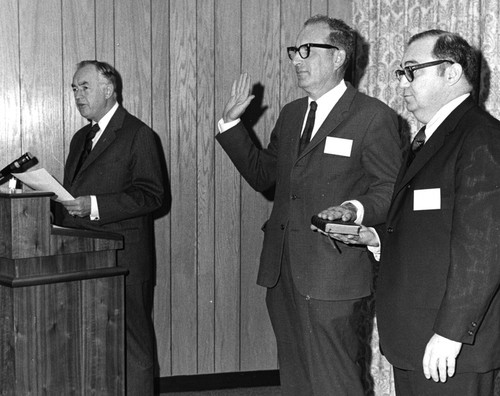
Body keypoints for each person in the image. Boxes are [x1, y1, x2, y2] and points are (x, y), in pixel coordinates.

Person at [216, 15, 402, 395]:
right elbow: (264, 176)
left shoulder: (372, 116)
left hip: (334, 274)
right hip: (282, 271)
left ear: (338, 57)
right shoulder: (291, 115)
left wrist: (353, 208)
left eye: (306, 51)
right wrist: (230, 126)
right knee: (297, 378)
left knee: (337, 381)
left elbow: (390, 190)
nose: (296, 60)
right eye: (294, 52)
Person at [319, 30, 500, 395]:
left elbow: (484, 248)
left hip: (451, 347)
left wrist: (451, 333)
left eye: (412, 70)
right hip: (418, 338)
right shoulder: (429, 138)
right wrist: (376, 239)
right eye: (400, 72)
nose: (402, 83)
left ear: (451, 72)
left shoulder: (480, 137)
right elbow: (433, 231)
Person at [55, 60, 164, 395]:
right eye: (74, 88)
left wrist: (96, 206)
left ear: (108, 88)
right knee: (95, 342)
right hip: (86, 257)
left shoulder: (138, 134)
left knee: (133, 346)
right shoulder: (80, 138)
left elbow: (152, 195)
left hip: (125, 258)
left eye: (84, 87)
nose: (76, 95)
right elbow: (74, 194)